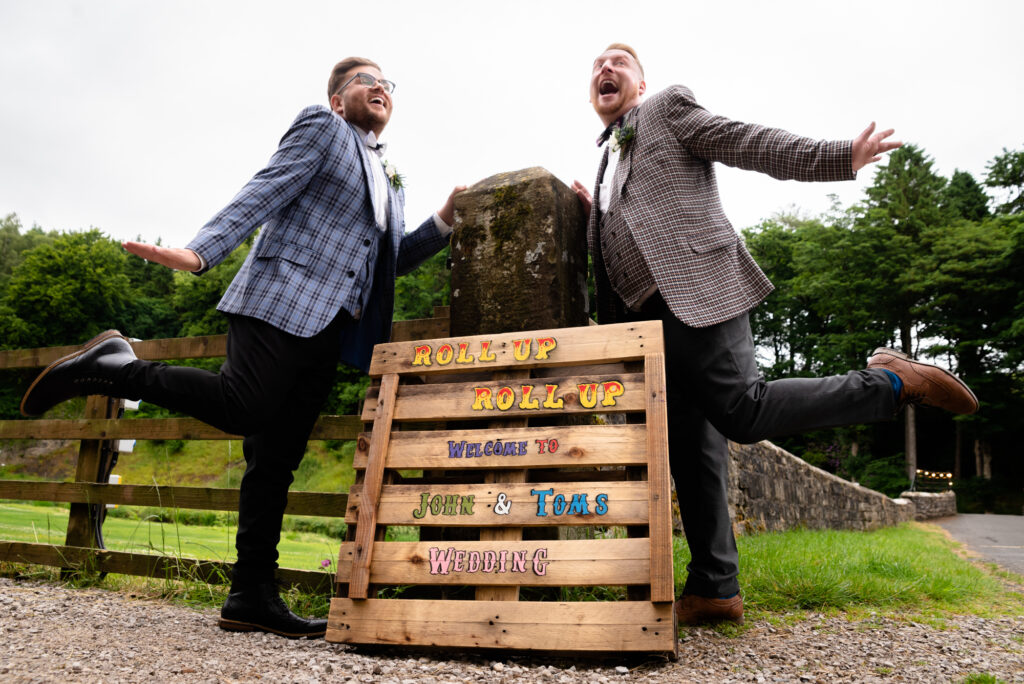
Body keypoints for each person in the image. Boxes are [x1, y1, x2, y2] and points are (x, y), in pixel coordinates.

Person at [21, 57, 463, 638]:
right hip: (280, 298)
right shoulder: (323, 128)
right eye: (365, 80)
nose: (379, 87)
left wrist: (442, 221)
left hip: (331, 329)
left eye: (387, 83)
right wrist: (201, 252)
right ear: (336, 99)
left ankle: (250, 592)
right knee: (243, 405)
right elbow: (266, 189)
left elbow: (384, 264)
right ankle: (117, 367)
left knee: (276, 458)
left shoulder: (388, 181)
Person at [571, 44, 978, 627]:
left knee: (742, 411)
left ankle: (889, 382)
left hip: (700, 292)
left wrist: (841, 156)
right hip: (650, 322)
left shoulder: (666, 109)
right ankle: (715, 587)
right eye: (595, 67)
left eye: (619, 62)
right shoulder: (606, 160)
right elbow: (626, 232)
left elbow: (747, 141)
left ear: (641, 83)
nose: (604, 69)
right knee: (694, 446)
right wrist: (593, 216)